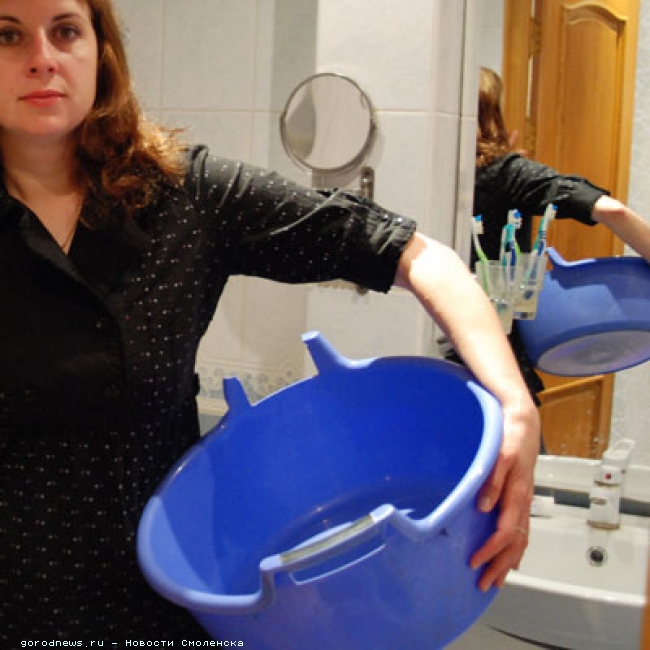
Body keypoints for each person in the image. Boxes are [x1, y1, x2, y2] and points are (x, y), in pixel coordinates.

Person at [0, 1, 540, 643]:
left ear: (101, 51)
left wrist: (516, 407)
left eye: (65, 30)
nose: (42, 58)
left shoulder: (185, 195)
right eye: (7, 35)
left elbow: (422, 258)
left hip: (171, 604)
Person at [468, 66, 650, 399]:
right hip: (495, 354)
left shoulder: (433, 170)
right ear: (491, 113)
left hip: (438, 341)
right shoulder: (506, 173)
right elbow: (613, 210)